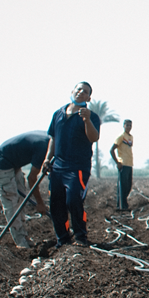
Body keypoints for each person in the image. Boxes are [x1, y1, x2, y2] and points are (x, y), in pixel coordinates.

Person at [43, 82, 101, 247]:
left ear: (89, 98)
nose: (81, 92)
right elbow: (53, 138)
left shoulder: (91, 117)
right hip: (58, 167)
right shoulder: (58, 114)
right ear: (72, 91)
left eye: (86, 92)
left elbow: (93, 138)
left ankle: (81, 237)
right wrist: (47, 159)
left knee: (73, 200)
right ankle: (63, 239)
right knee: (56, 203)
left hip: (78, 167)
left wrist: (87, 120)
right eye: (79, 89)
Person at [0, 131, 50, 249]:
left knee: (21, 200)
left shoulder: (50, 139)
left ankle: (24, 235)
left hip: (14, 164)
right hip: (2, 163)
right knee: (12, 202)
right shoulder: (44, 147)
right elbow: (32, 178)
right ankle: (20, 241)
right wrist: (40, 203)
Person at [109, 119, 134, 211]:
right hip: (123, 164)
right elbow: (112, 150)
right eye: (127, 125)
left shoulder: (130, 137)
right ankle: (121, 206)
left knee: (128, 186)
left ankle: (124, 203)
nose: (129, 127)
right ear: (123, 126)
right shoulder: (121, 137)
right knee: (122, 186)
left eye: (130, 125)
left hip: (129, 164)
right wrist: (117, 162)